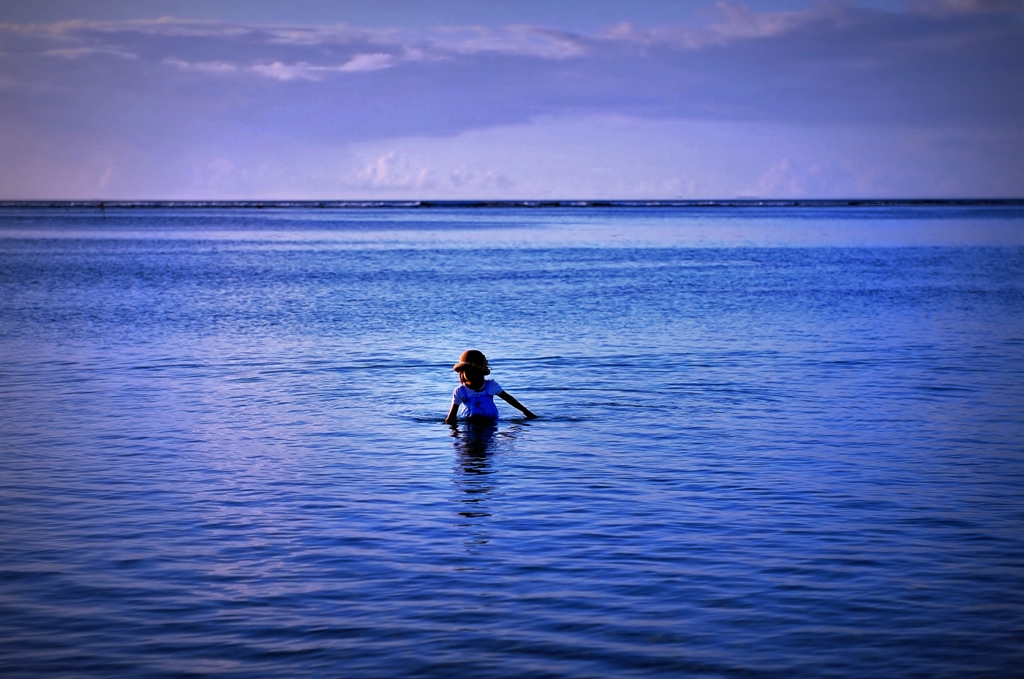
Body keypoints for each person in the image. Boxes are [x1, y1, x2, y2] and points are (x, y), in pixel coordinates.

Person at [445, 349, 537, 424]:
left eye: (475, 371)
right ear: (462, 373)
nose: (472, 374)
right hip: (469, 424)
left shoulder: (491, 386)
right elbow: (452, 416)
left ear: (482, 372)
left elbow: (508, 398)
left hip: (491, 422)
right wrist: (455, 437)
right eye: (468, 371)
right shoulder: (460, 391)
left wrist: (526, 411)